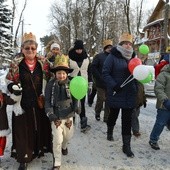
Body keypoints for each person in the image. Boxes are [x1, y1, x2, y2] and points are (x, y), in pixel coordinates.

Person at [6, 32, 52, 170]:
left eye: (33, 48)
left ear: (36, 49)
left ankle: (38, 150)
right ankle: (23, 157)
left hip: (39, 102)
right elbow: (9, 80)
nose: (30, 51)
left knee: (39, 127)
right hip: (22, 103)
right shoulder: (16, 64)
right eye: (27, 48)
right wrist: (12, 87)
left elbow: (53, 77)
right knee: (22, 131)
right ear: (22, 49)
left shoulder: (43, 63)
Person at [102, 33, 138, 158]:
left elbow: (136, 74)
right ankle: (110, 131)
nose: (128, 46)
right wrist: (114, 85)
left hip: (129, 93)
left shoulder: (134, 57)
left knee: (127, 120)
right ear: (121, 44)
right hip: (117, 92)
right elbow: (105, 73)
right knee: (113, 115)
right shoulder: (113, 56)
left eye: (130, 44)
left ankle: (126, 146)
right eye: (126, 43)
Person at [45, 55, 78, 170]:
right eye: (59, 73)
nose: (61, 75)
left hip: (68, 115)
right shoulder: (50, 85)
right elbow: (47, 101)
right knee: (57, 139)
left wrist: (76, 108)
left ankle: (65, 146)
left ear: (67, 73)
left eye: (63, 73)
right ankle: (57, 162)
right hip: (56, 117)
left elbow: (75, 98)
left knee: (67, 136)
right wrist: (50, 114)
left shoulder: (72, 83)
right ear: (55, 73)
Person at [68, 39, 91, 133]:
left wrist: (90, 82)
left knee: (82, 103)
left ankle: (83, 122)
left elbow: (90, 71)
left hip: (83, 84)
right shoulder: (70, 57)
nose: (79, 51)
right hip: (73, 83)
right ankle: (71, 122)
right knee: (73, 103)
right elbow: (66, 70)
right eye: (77, 49)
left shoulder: (86, 58)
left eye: (80, 49)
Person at [149, 60, 170, 150]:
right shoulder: (164, 74)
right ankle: (153, 140)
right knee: (160, 123)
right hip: (164, 105)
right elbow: (158, 88)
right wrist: (165, 100)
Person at [91, 39, 113, 122]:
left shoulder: (113, 57)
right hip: (100, 83)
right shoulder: (99, 56)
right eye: (108, 47)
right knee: (101, 99)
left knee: (108, 101)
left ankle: (106, 117)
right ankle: (97, 112)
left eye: (111, 47)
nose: (110, 49)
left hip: (110, 83)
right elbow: (93, 67)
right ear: (105, 48)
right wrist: (98, 77)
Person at [0, 89, 16, 158]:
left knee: (1, 141)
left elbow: (11, 101)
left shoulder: (3, 96)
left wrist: (16, 93)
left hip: (1, 124)